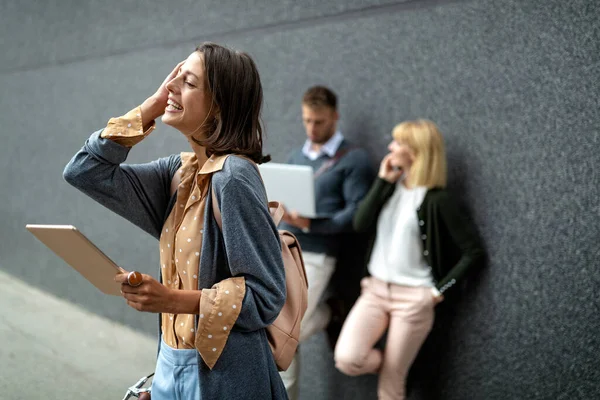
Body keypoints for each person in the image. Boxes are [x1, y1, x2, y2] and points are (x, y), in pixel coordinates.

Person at [63, 43, 288, 400]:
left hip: (222, 378)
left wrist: (172, 298)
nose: (171, 88)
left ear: (219, 103)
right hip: (171, 364)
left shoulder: (234, 177)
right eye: (174, 80)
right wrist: (149, 108)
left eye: (189, 82)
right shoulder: (179, 173)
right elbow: (84, 171)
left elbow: (266, 296)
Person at [333, 119, 485, 400]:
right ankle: (393, 363)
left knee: (391, 388)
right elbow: (360, 222)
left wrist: (437, 292)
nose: (390, 147)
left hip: (414, 301)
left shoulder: (437, 200)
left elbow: (473, 252)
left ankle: (395, 367)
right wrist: (382, 181)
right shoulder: (391, 187)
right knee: (347, 358)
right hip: (375, 291)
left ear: (415, 152)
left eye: (398, 143)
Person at [278, 86, 375, 399]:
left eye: (319, 121)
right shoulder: (296, 156)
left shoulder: (354, 159)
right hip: (283, 247)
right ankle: (329, 314)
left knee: (283, 332)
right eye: (307, 121)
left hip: (319, 254)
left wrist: (314, 223)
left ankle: (330, 313)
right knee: (278, 330)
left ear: (335, 117)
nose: (312, 128)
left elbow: (358, 214)